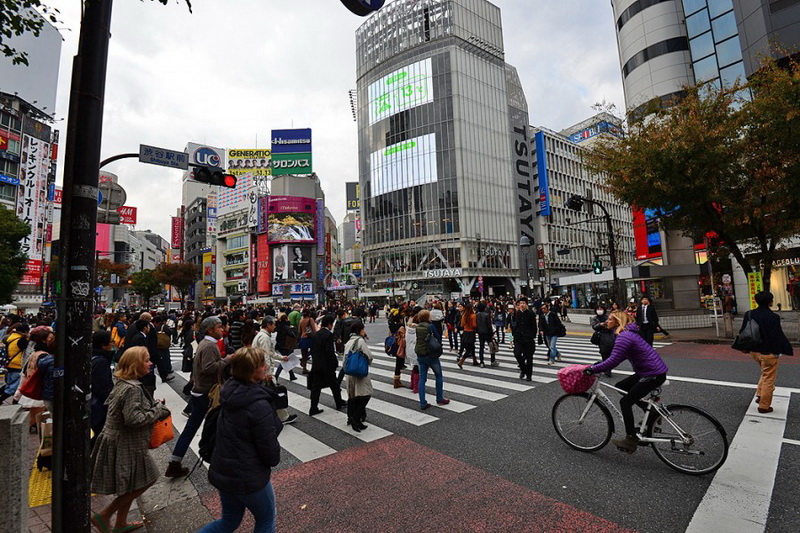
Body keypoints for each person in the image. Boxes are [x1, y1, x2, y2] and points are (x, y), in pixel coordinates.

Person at [199, 347, 282, 533]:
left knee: (228, 521)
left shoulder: (229, 390)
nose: (266, 367)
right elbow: (269, 449)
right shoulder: (258, 404)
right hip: (248, 475)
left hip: (224, 470)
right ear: (253, 371)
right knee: (266, 519)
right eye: (262, 364)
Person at [90, 346, 171, 533]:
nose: (150, 363)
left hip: (118, 440)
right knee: (146, 479)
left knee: (132, 483)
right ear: (135, 364)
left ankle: (120, 523)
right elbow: (134, 419)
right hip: (126, 443)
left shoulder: (122, 382)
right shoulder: (133, 389)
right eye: (146, 360)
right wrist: (157, 409)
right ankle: (104, 515)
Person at [584, 311, 668, 454]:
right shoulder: (628, 333)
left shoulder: (624, 336)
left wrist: (593, 369)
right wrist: (602, 364)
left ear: (617, 322)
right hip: (650, 370)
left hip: (651, 373)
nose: (607, 322)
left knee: (625, 402)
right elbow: (620, 356)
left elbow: (614, 360)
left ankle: (630, 440)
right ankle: (652, 411)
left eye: (610, 319)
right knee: (621, 386)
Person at [165, 316, 230, 478]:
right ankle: (221, 462)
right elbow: (209, 368)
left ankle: (175, 461)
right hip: (207, 392)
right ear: (210, 330)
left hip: (200, 390)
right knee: (218, 426)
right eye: (219, 327)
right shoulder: (209, 346)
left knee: (192, 427)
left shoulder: (205, 343)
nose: (222, 329)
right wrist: (227, 360)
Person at [740, 291, 794, 414]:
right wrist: (778, 351)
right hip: (768, 352)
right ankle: (764, 406)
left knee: (765, 373)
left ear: (756, 301)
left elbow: (744, 331)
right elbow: (776, 336)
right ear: (771, 302)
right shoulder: (773, 317)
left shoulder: (749, 314)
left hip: (754, 351)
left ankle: (760, 394)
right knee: (769, 378)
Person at [252, 317, 297, 425]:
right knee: (274, 392)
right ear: (268, 325)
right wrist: (267, 373)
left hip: (259, 369)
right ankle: (283, 417)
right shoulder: (264, 337)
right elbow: (266, 355)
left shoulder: (263, 336)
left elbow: (270, 352)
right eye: (273, 324)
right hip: (263, 370)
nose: (275, 326)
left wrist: (282, 358)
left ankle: (275, 415)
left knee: (267, 393)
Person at [308, 314, 346, 416]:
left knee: (316, 388)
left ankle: (313, 407)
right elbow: (329, 352)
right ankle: (339, 403)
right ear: (329, 324)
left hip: (317, 365)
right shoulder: (329, 335)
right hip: (327, 366)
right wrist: (334, 363)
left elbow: (313, 350)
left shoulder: (316, 334)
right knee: (334, 385)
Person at [414, 310, 450, 410]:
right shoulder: (430, 326)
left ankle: (422, 402)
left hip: (420, 354)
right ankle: (439, 398)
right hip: (430, 354)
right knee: (438, 376)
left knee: (422, 379)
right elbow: (438, 336)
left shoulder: (417, 327)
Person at [343, 320, 373, 432]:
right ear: (359, 330)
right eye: (363, 329)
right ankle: (356, 418)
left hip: (350, 372)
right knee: (365, 395)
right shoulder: (360, 341)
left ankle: (352, 418)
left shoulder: (349, 341)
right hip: (359, 372)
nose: (364, 331)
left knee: (353, 397)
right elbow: (369, 356)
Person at [91, 330, 115, 447]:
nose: (113, 343)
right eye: (111, 341)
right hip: (98, 407)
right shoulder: (101, 362)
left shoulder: (92, 357)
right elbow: (102, 388)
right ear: (103, 345)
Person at [0, 323, 29, 402]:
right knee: (13, 388)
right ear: (25, 331)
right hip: (18, 365)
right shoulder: (22, 340)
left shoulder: (11, 338)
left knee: (9, 385)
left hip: (10, 364)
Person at [514, 298, 538, 381]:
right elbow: (515, 325)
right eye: (520, 303)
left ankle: (529, 375)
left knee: (529, 358)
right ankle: (523, 369)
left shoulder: (530, 313)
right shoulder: (517, 313)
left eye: (523, 303)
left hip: (528, 338)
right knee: (517, 354)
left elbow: (534, 326)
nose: (522, 305)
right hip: (519, 338)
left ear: (526, 304)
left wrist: (532, 335)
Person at [590, 305, 615, 377]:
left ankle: (604, 366)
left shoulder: (608, 317)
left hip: (609, 336)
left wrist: (607, 324)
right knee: (604, 353)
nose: (599, 310)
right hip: (601, 337)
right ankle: (607, 369)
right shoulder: (594, 318)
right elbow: (594, 327)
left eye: (601, 309)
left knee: (610, 353)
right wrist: (600, 325)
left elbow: (612, 326)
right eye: (598, 309)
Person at [538, 301, 565, 365]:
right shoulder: (542, 316)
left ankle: (552, 359)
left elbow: (558, 323)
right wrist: (541, 330)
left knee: (552, 346)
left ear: (547, 308)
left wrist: (556, 329)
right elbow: (540, 324)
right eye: (542, 309)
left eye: (544, 308)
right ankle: (558, 354)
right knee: (550, 346)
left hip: (554, 333)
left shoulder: (552, 314)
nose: (543, 310)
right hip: (547, 333)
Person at [274, 313, 298, 381]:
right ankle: (276, 376)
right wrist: (292, 328)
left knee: (287, 359)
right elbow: (292, 335)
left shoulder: (279, 326)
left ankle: (292, 375)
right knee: (285, 360)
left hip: (279, 345)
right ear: (285, 319)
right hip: (285, 345)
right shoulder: (286, 327)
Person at [457, 303, 477, 369]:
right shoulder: (473, 315)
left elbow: (462, 325)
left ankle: (475, 360)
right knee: (469, 349)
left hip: (465, 332)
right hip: (471, 333)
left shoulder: (464, 316)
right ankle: (461, 361)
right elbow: (474, 325)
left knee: (472, 347)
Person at [298, 309, 318, 375]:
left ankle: (304, 368)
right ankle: (313, 368)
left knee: (304, 354)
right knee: (313, 352)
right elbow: (314, 330)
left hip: (303, 338)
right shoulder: (310, 319)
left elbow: (299, 331)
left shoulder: (301, 320)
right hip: (310, 338)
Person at [475, 302, 495, 368]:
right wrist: (491, 333)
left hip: (480, 333)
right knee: (491, 346)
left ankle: (481, 361)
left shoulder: (477, 315)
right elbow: (489, 325)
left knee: (481, 347)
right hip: (487, 333)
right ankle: (492, 360)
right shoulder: (486, 315)